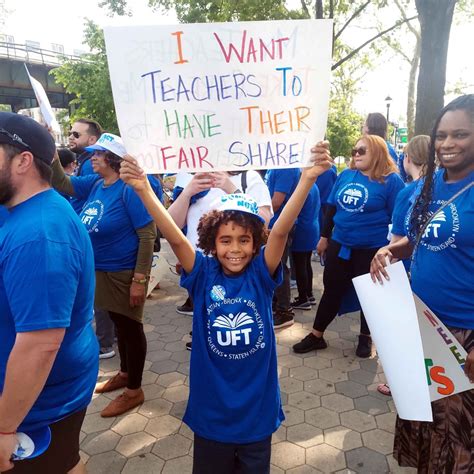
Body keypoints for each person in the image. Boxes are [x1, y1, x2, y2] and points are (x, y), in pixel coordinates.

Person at [120, 143, 333, 474]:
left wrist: (306, 180)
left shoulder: (262, 274)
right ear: (210, 241)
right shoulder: (203, 273)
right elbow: (175, 239)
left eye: (244, 240)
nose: (235, 249)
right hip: (212, 412)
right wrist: (145, 189)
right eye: (226, 240)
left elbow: (279, 230)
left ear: (254, 243)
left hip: (257, 412)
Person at [370, 94, 474, 472]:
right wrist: (391, 252)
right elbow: (419, 238)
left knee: (458, 434)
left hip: (464, 335)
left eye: (460, 134)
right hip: (421, 324)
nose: (447, 144)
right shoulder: (427, 186)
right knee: (425, 422)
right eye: (441, 135)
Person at [0, 112, 98, 473]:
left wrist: (4, 427)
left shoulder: (39, 234)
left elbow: (40, 345)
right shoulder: (17, 208)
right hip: (38, 393)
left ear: (23, 161)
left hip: (37, 404)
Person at [51, 132, 157, 417]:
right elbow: (61, 182)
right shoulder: (96, 184)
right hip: (100, 271)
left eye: (99, 153)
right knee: (120, 326)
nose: (92, 157)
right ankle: (124, 373)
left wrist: (140, 280)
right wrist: (48, 150)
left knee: (130, 328)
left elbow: (148, 235)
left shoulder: (128, 189)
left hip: (123, 274)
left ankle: (134, 390)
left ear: (113, 158)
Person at [293, 135, 404, 358]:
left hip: (370, 250)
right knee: (331, 289)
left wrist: (393, 249)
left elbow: (399, 218)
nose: (356, 154)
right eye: (355, 150)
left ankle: (366, 337)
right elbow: (332, 208)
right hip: (339, 245)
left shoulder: (391, 181)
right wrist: (324, 237)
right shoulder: (346, 175)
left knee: (370, 295)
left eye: (362, 150)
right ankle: (316, 335)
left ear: (378, 152)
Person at [169, 170, 272, 316]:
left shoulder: (248, 177)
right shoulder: (189, 177)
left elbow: (264, 221)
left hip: (240, 268)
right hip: (200, 269)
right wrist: (187, 193)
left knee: (243, 315)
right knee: (204, 318)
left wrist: (232, 190)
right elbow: (172, 225)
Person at [377, 134, 431, 397]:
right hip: (431, 274)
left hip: (409, 273)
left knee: (406, 330)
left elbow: (398, 239)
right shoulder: (437, 189)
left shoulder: (409, 192)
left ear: (407, 158)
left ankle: (399, 380)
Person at [265, 168, 301, 329]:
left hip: (278, 226)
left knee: (278, 266)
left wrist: (258, 217)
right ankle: (275, 305)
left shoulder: (286, 168)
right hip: (272, 224)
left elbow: (277, 201)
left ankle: (284, 311)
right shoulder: (275, 166)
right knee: (271, 265)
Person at [290, 182, 321, 310]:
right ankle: (309, 294)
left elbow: (294, 210)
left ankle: (303, 298)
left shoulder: (303, 187)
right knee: (306, 263)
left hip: (302, 229)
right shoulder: (314, 185)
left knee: (300, 265)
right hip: (312, 227)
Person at [67, 118, 102, 213]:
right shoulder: (84, 160)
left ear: (92, 140)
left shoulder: (90, 164)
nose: (70, 137)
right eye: (69, 133)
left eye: (76, 134)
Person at [363, 112, 407, 182]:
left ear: (367, 129)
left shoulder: (385, 150)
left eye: (364, 125)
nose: (362, 129)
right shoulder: (386, 148)